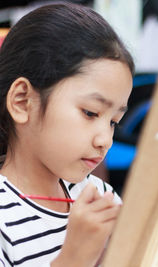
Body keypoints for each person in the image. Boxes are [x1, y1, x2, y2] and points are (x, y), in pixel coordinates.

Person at [0, 3, 134, 267]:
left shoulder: (98, 194)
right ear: (23, 101)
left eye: (114, 122)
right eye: (90, 113)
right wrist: (73, 259)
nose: (105, 140)